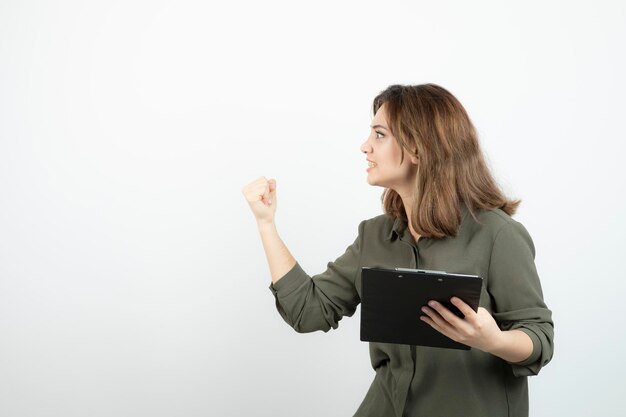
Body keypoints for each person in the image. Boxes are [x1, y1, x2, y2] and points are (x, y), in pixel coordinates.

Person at [241, 83, 554, 417]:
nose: (365, 147)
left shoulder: (497, 235)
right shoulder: (374, 235)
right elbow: (308, 311)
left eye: (379, 135)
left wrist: (493, 341)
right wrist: (266, 225)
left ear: (418, 148)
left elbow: (539, 339)